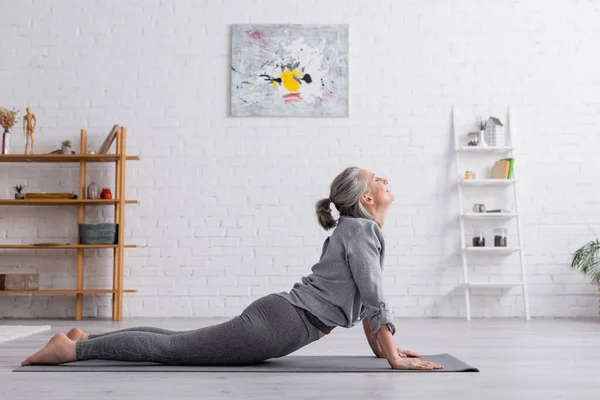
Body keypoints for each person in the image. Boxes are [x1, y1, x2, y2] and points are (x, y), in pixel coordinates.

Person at [21, 166, 443, 370]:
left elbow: (367, 301)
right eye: (377, 179)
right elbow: (374, 299)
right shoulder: (362, 233)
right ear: (367, 200)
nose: (385, 180)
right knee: (175, 351)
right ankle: (73, 350)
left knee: (180, 340)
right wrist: (394, 361)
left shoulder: (354, 230)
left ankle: (86, 338)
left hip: (280, 316)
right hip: (281, 324)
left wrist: (386, 351)